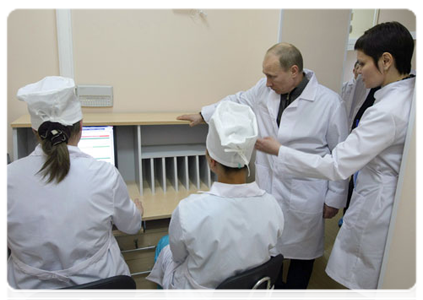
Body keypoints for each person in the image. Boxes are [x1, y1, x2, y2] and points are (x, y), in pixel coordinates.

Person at [255, 22, 416, 300]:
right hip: (364, 194)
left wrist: (280, 150)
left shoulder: (381, 110)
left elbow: (336, 162)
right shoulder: (402, 97)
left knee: (358, 286)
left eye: (362, 63)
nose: (357, 71)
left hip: (373, 206)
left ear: (386, 61)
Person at [177, 42, 349, 300]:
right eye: (264, 75)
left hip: (307, 191)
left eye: (271, 76)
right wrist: (204, 115)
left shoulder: (329, 103)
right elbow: (237, 100)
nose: (266, 82)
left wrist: (334, 197)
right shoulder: (263, 89)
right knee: (271, 251)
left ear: (294, 71)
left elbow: (340, 154)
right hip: (270, 187)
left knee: (302, 257)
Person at [5, 76, 144, 300]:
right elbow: (131, 226)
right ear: (81, 125)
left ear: (34, 131)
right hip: (102, 289)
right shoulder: (104, 173)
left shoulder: (7, 180)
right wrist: (136, 211)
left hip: (30, 293)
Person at [147, 101, 285, 300]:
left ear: (211, 161)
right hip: (250, 293)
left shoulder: (189, 210)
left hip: (202, 296)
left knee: (164, 244)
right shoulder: (272, 205)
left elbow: (178, 257)